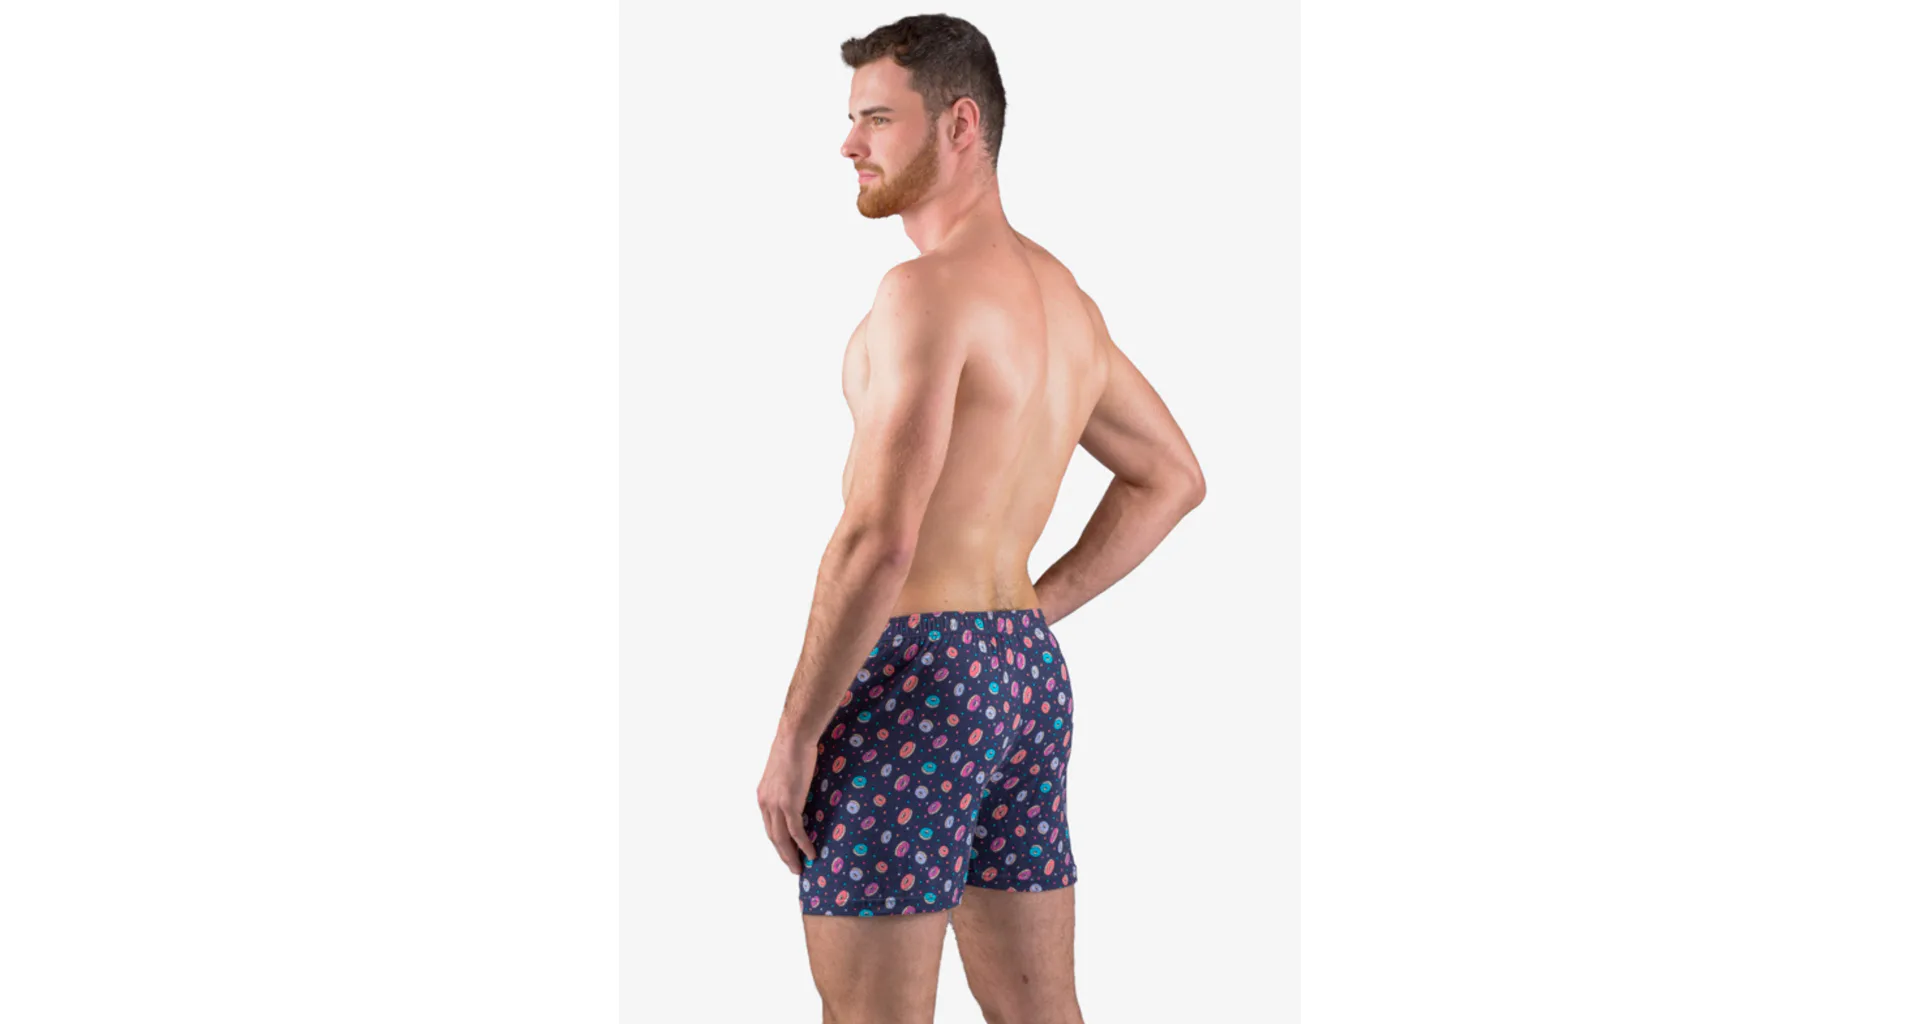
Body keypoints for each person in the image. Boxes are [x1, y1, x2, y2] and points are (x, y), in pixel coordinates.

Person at [755, 14, 1205, 1024]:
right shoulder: (1064, 301)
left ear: (960, 125)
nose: (849, 144)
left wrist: (795, 734)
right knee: (1041, 1013)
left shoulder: (923, 294)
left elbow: (880, 538)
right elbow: (1171, 476)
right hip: (1023, 677)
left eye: (878, 119)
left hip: (913, 678)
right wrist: (1025, 612)